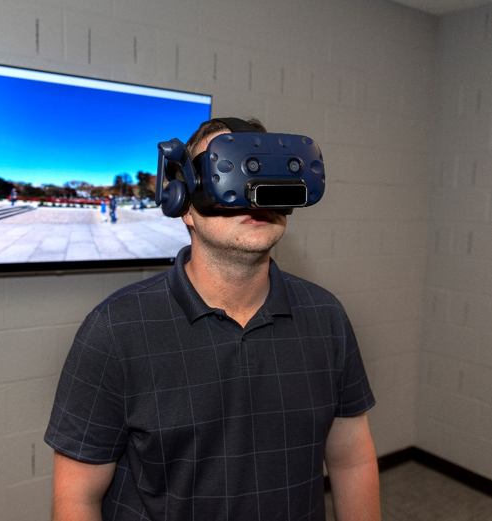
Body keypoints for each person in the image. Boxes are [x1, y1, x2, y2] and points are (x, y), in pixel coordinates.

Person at [45, 117, 380, 521]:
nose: (255, 196)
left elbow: (351, 462)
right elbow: (76, 499)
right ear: (183, 200)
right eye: (231, 169)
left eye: (265, 169)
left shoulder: (326, 317)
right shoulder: (115, 331)